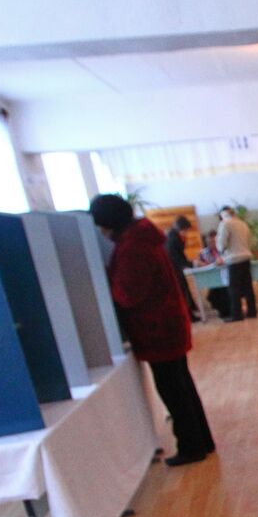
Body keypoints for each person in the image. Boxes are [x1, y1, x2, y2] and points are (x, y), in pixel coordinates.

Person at [89, 194, 215, 466]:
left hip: (157, 329)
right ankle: (202, 441)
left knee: (173, 391)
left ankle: (191, 447)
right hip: (167, 324)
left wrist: (105, 282)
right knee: (182, 386)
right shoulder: (143, 237)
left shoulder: (132, 246)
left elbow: (128, 294)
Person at [216, 205, 255, 321]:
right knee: (248, 287)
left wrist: (221, 251)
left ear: (222, 215)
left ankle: (237, 315)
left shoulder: (225, 224)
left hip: (233, 259)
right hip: (246, 257)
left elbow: (221, 244)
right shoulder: (243, 223)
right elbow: (249, 240)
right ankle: (252, 312)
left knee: (234, 289)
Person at [163, 215, 201, 320]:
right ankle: (189, 316)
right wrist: (191, 264)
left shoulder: (174, 236)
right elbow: (176, 257)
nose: (186, 232)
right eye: (186, 229)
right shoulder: (173, 239)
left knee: (184, 291)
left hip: (175, 268)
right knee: (182, 292)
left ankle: (190, 313)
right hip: (174, 269)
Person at [194, 230, 230, 319]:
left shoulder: (224, 251)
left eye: (213, 241)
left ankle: (227, 312)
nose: (211, 243)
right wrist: (199, 263)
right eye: (209, 242)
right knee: (215, 292)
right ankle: (224, 312)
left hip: (225, 278)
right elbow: (198, 264)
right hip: (211, 279)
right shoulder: (203, 253)